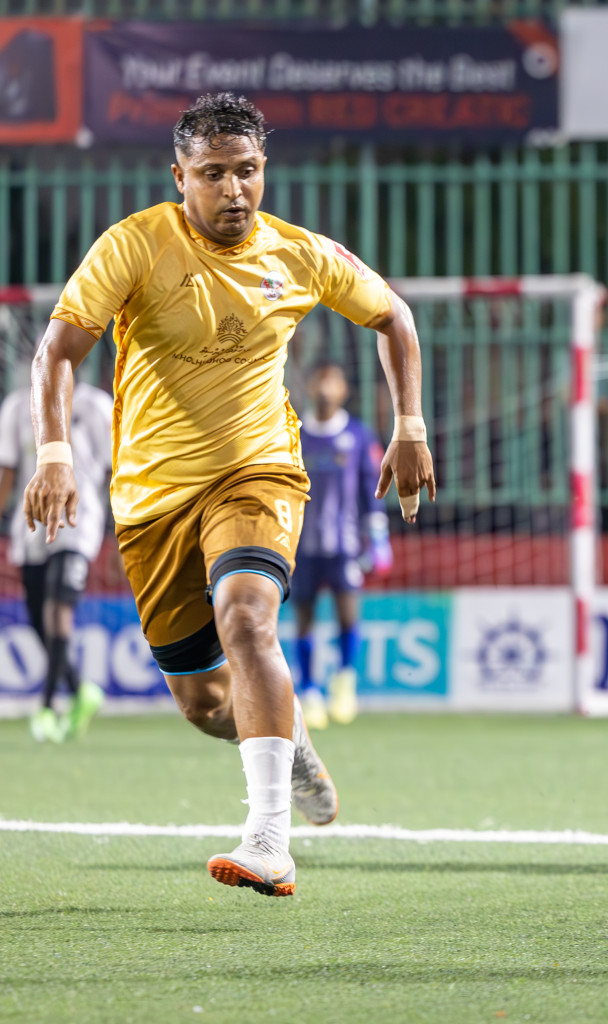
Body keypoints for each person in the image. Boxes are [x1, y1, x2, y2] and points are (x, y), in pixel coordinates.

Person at [26, 93, 435, 897]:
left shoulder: (298, 254)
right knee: (204, 704)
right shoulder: (134, 246)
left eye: (246, 171)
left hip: (258, 472)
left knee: (247, 617)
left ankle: (268, 841)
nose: (233, 190)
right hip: (149, 500)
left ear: (263, 171)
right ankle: (297, 745)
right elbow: (57, 349)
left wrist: (410, 424)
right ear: (179, 176)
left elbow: (394, 318)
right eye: (212, 174)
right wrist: (53, 454)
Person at [0, 380, 111, 742]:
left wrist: (122, 527)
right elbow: (8, 472)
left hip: (78, 520)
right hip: (29, 523)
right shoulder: (17, 406)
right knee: (37, 616)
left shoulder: (94, 406)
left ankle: (46, 708)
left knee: (57, 606)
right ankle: (80, 690)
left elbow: (115, 468)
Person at [292, 359, 392, 731]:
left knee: (347, 613)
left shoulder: (358, 435)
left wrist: (377, 534)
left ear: (344, 390)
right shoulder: (295, 433)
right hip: (302, 545)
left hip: (345, 544)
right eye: (319, 380)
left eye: (332, 381)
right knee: (305, 618)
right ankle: (310, 690)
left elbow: (370, 487)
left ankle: (345, 681)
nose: (325, 388)